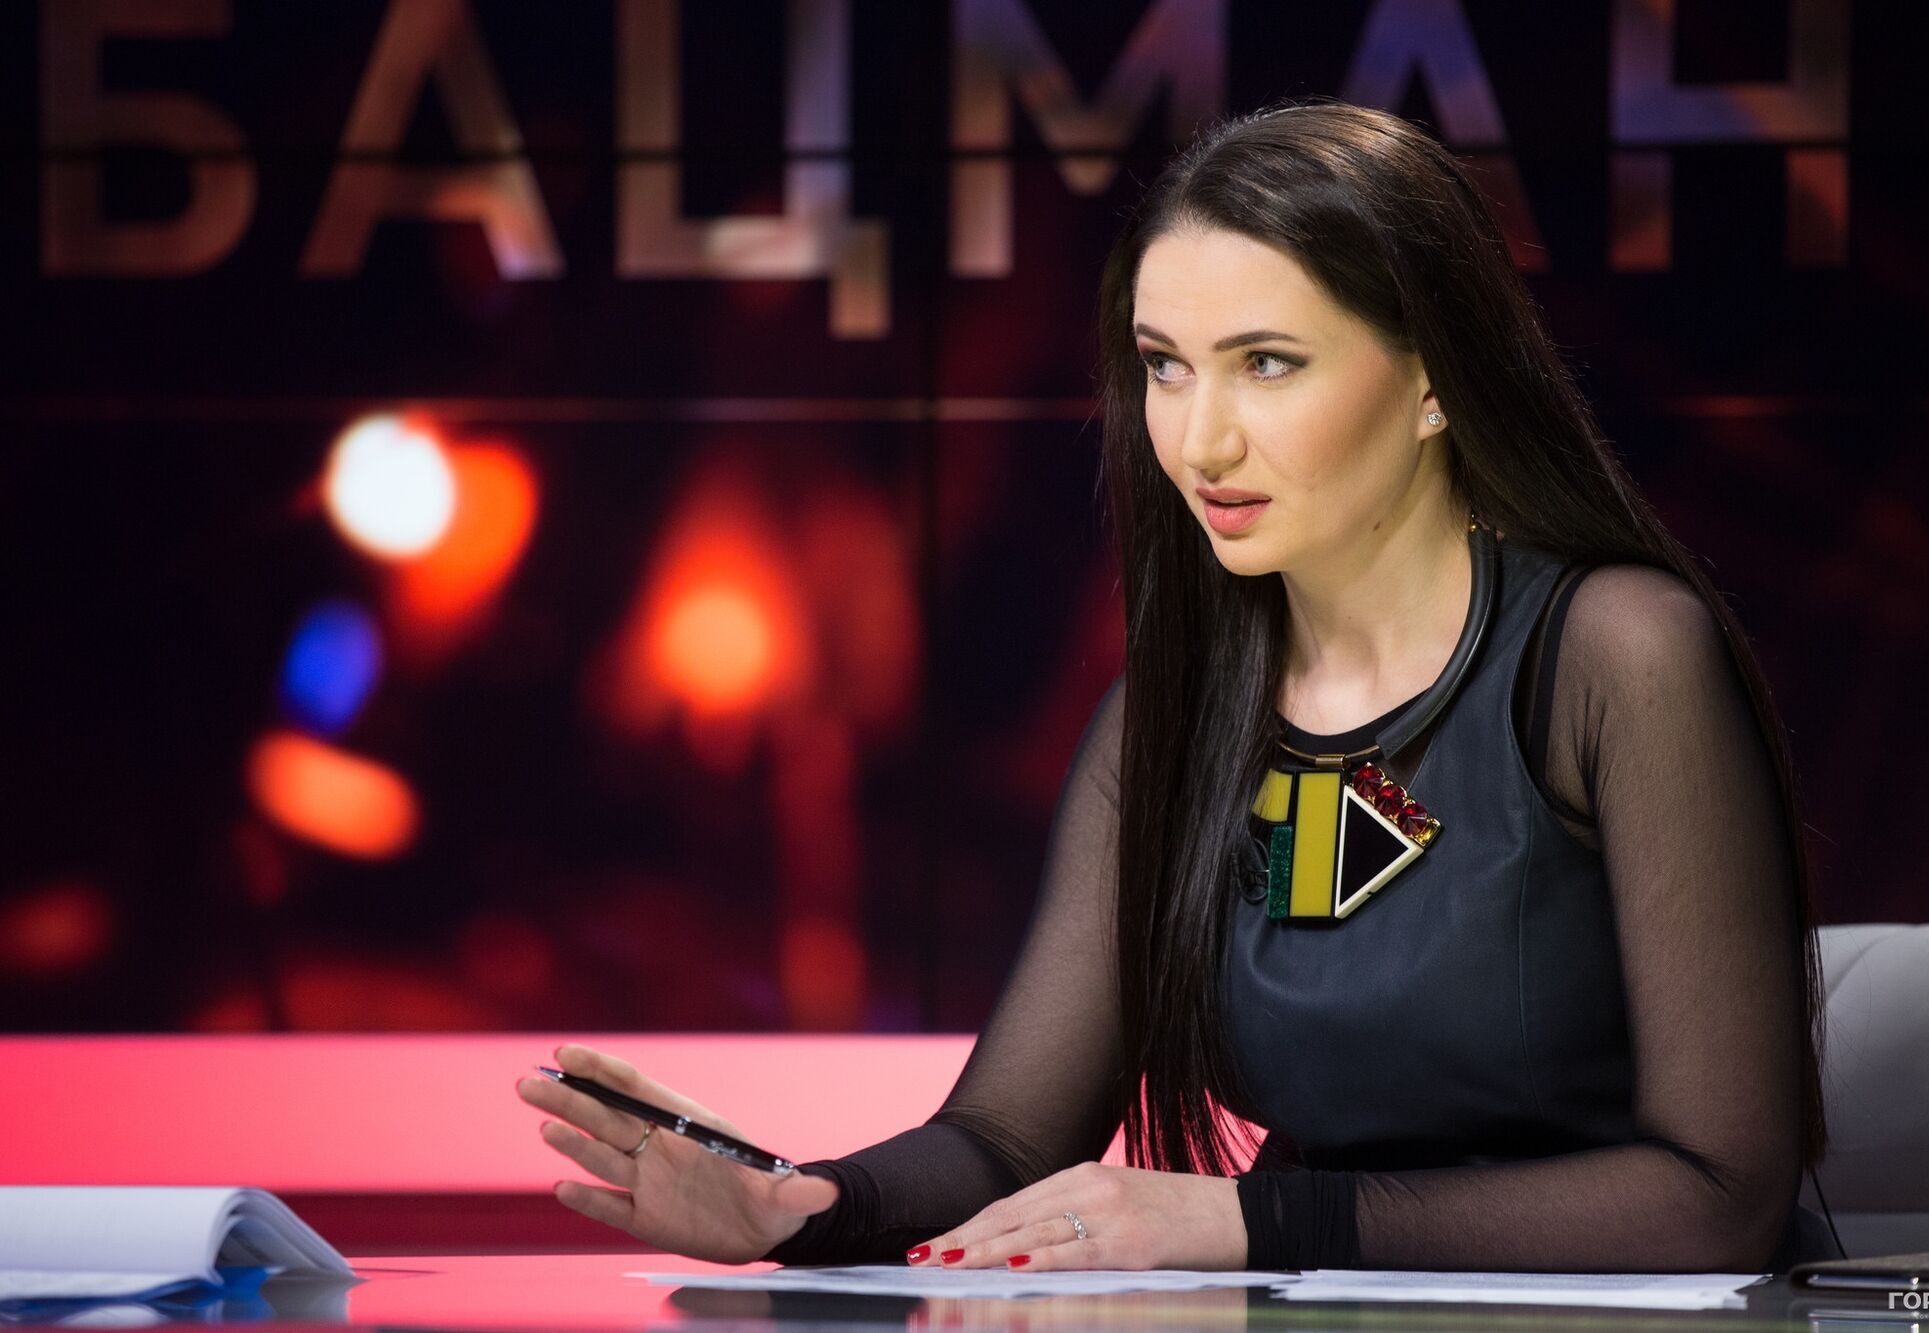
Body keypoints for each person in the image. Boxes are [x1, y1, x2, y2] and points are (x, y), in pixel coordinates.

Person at [514, 97, 1839, 1274]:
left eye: (1268, 362)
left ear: (1435, 380)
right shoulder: (1176, 713)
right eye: (1165, 365)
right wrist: (800, 1205)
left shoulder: (1616, 654)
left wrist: (1258, 1220)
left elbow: (1719, 1197)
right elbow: (1007, 1136)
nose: (1199, 440)